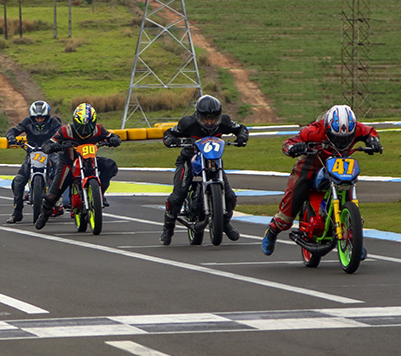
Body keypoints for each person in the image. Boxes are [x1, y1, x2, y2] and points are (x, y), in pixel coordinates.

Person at [262, 104, 382, 256]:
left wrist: (374, 141)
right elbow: (288, 143)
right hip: (313, 164)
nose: (341, 142)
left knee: (349, 185)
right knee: (294, 198)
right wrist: (294, 148)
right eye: (337, 138)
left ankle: (354, 238)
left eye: (346, 138)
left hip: (341, 164)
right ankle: (274, 228)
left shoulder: (357, 128)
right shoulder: (314, 131)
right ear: (328, 128)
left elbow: (370, 132)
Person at [160, 95, 248, 245]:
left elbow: (241, 128)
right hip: (189, 160)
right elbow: (169, 133)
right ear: (198, 116)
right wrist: (171, 140)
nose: (209, 122)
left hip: (213, 161)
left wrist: (241, 137)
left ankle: (224, 223)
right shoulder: (188, 123)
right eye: (206, 118)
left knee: (230, 197)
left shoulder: (224, 122)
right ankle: (168, 228)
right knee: (178, 195)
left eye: (213, 118)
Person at [34, 102, 121, 230]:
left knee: (110, 165)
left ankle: (99, 194)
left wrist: (114, 140)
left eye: (88, 126)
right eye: (81, 126)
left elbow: (113, 136)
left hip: (90, 160)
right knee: (53, 194)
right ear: (75, 122)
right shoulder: (66, 130)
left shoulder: (98, 129)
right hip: (69, 163)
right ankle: (44, 214)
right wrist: (54, 146)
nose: (85, 131)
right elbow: (47, 144)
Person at [4, 101, 62, 223]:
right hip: (32, 153)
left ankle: (64, 201)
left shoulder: (54, 122)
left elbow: (62, 132)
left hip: (50, 152)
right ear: (32, 117)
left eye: (42, 117)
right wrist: (11, 137)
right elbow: (13, 130)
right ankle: (17, 212)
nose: (39, 120)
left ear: (47, 116)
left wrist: (59, 143)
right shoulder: (27, 122)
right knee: (18, 181)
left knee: (62, 172)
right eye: (37, 117)